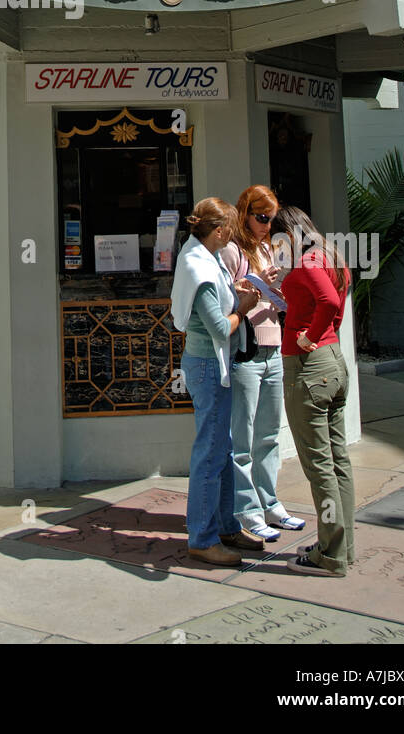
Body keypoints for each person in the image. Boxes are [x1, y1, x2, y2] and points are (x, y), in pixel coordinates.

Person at [171, 197, 263, 567]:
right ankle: (203, 538)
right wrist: (242, 308)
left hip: (212, 365)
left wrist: (238, 295)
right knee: (210, 452)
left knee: (221, 447)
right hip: (209, 366)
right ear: (220, 230)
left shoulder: (205, 259)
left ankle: (225, 526)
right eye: (232, 227)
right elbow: (220, 327)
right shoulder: (201, 268)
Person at [271, 205, 354, 577]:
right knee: (338, 464)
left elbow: (329, 302)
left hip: (310, 368)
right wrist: (324, 329)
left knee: (319, 467)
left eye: (277, 237)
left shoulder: (306, 262)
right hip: (333, 362)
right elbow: (335, 301)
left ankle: (330, 554)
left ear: (289, 233)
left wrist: (310, 335)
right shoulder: (329, 255)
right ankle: (340, 545)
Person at [219, 185, 305, 541]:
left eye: (271, 218)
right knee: (243, 437)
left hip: (274, 347)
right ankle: (247, 511)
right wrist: (248, 288)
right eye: (261, 217)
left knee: (270, 434)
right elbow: (222, 297)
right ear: (245, 213)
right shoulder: (232, 251)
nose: (267, 224)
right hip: (247, 351)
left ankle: (270, 502)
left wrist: (278, 291)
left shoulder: (268, 247)